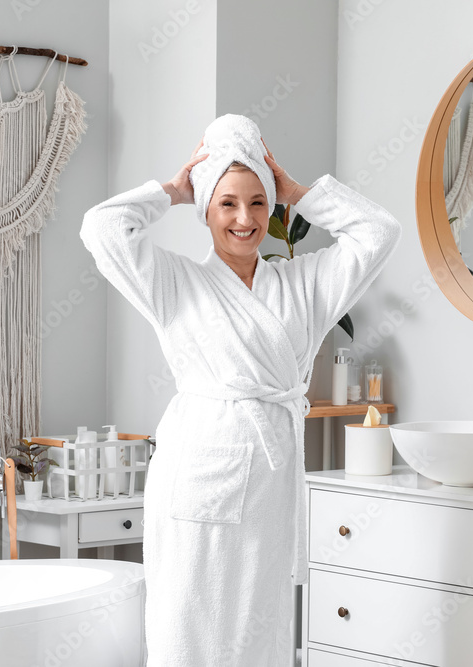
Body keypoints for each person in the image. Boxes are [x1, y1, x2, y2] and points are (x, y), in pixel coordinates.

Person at [80, 114, 401, 665]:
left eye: (258, 202)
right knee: (188, 619)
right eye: (227, 202)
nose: (245, 218)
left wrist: (300, 191)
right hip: (198, 476)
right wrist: (172, 191)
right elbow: (101, 229)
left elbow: (379, 232)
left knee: (261, 626)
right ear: (206, 208)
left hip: (270, 485)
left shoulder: (304, 285)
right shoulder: (176, 283)